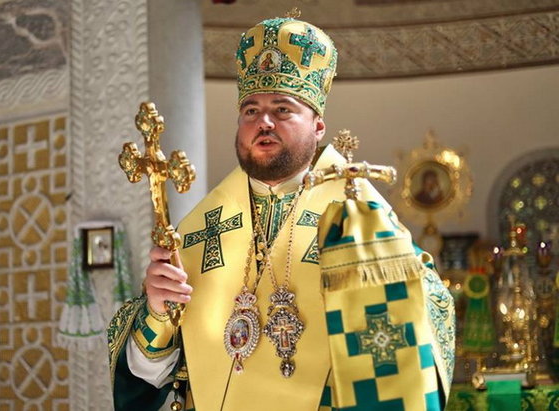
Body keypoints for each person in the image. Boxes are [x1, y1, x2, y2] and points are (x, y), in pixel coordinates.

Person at [108, 14, 454, 411]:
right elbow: (154, 376)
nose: (264, 122)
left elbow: (418, 338)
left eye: (283, 109)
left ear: (318, 125)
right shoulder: (198, 230)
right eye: (251, 110)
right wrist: (155, 310)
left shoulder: (355, 216)